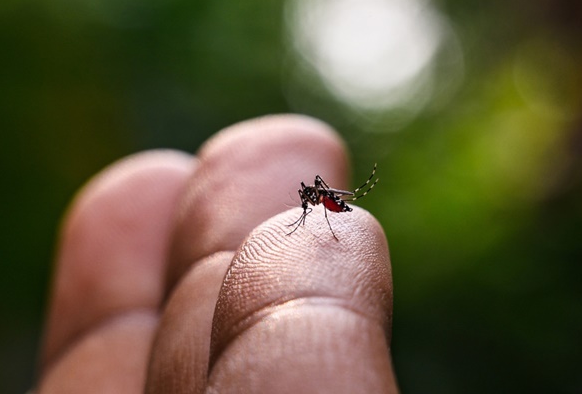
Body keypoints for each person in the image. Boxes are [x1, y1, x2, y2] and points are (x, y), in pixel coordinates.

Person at [35, 114, 397, 393]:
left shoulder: (318, 198)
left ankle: (353, 197)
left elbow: (316, 199)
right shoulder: (309, 198)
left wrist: (325, 209)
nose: (307, 198)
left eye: (310, 197)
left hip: (335, 211)